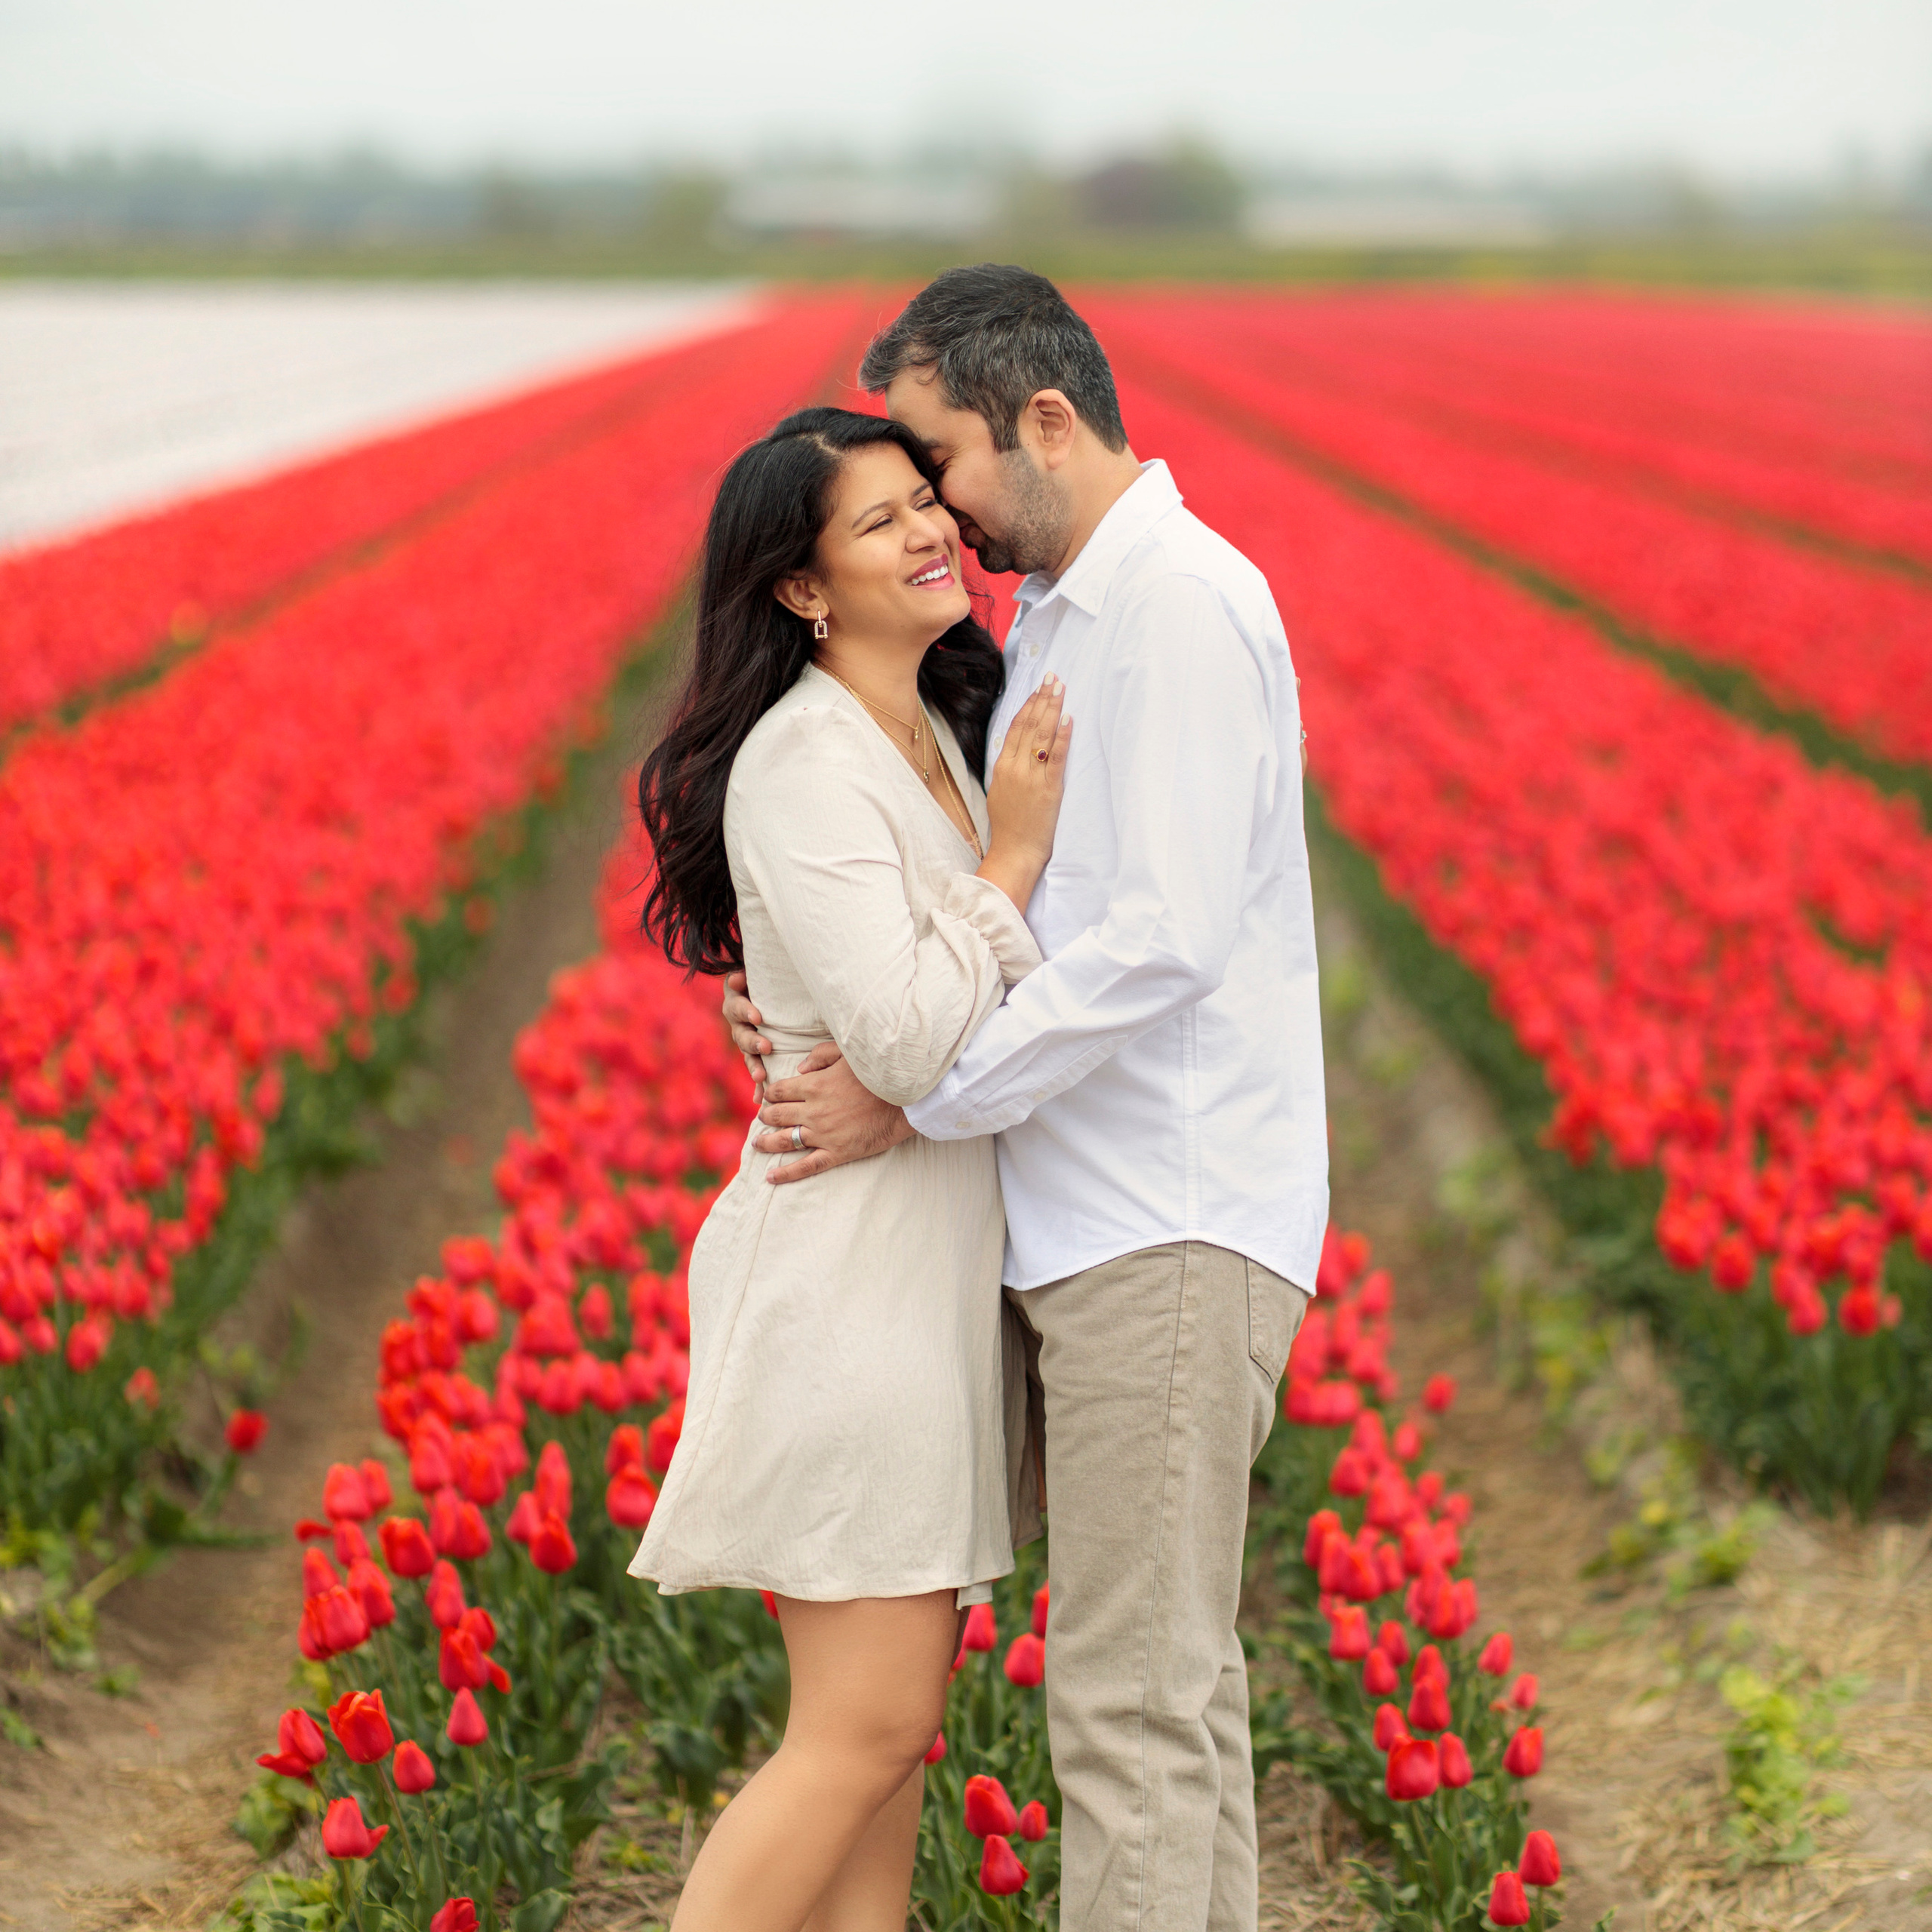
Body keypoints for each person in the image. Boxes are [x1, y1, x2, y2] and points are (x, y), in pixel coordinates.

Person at [728, 265, 1327, 1932]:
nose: (942, 513)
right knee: (1170, 1697)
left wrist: (918, 1096)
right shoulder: (1060, 613)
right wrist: (796, 1000)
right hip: (1075, 1213)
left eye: (941, 465)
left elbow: (1162, 938)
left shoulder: (1178, 605)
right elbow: (967, 893)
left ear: (1043, 420)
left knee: (1130, 1710)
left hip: (1165, 1213)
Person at [630, 403, 1072, 1932]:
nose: (930, 529)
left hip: (922, 1282)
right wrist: (1008, 864)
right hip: (847, 1289)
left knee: (886, 1757)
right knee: (864, 1730)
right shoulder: (804, 764)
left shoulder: (937, 728)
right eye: (879, 520)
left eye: (922, 500)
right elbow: (902, 1038)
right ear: (803, 587)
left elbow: (934, 1021)